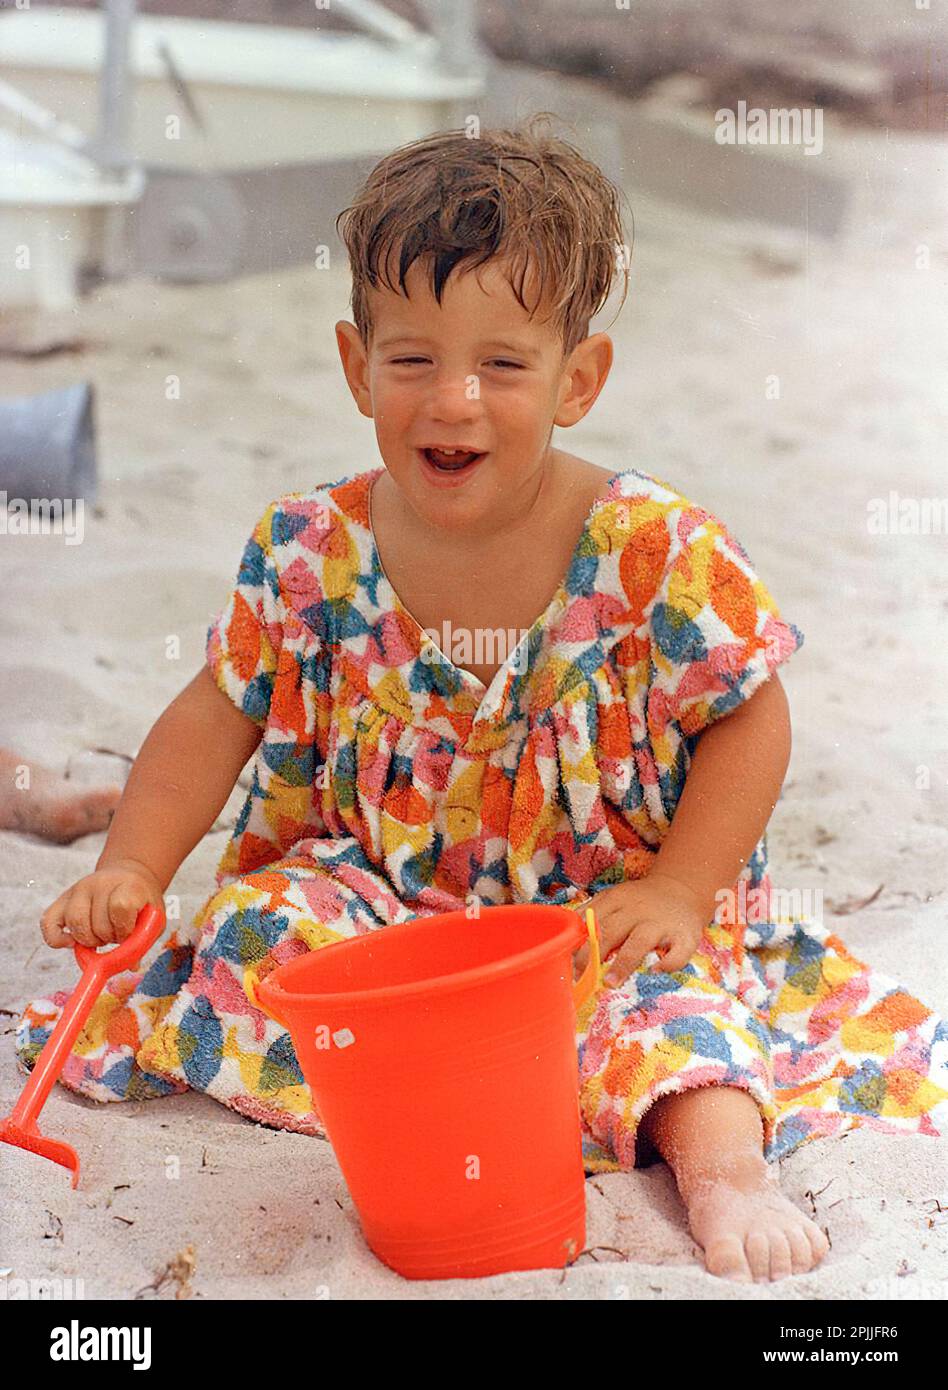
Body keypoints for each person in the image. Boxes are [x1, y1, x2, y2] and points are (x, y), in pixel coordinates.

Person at [15, 117, 948, 1284]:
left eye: (502, 365)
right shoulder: (311, 549)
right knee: (256, 932)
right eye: (413, 360)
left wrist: (678, 886)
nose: (453, 401)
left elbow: (750, 717)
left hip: (592, 920)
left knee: (680, 1026)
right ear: (357, 366)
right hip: (386, 902)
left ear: (578, 379)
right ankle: (447, 1091)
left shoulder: (653, 552)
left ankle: (725, 1174)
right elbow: (217, 710)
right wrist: (136, 867)